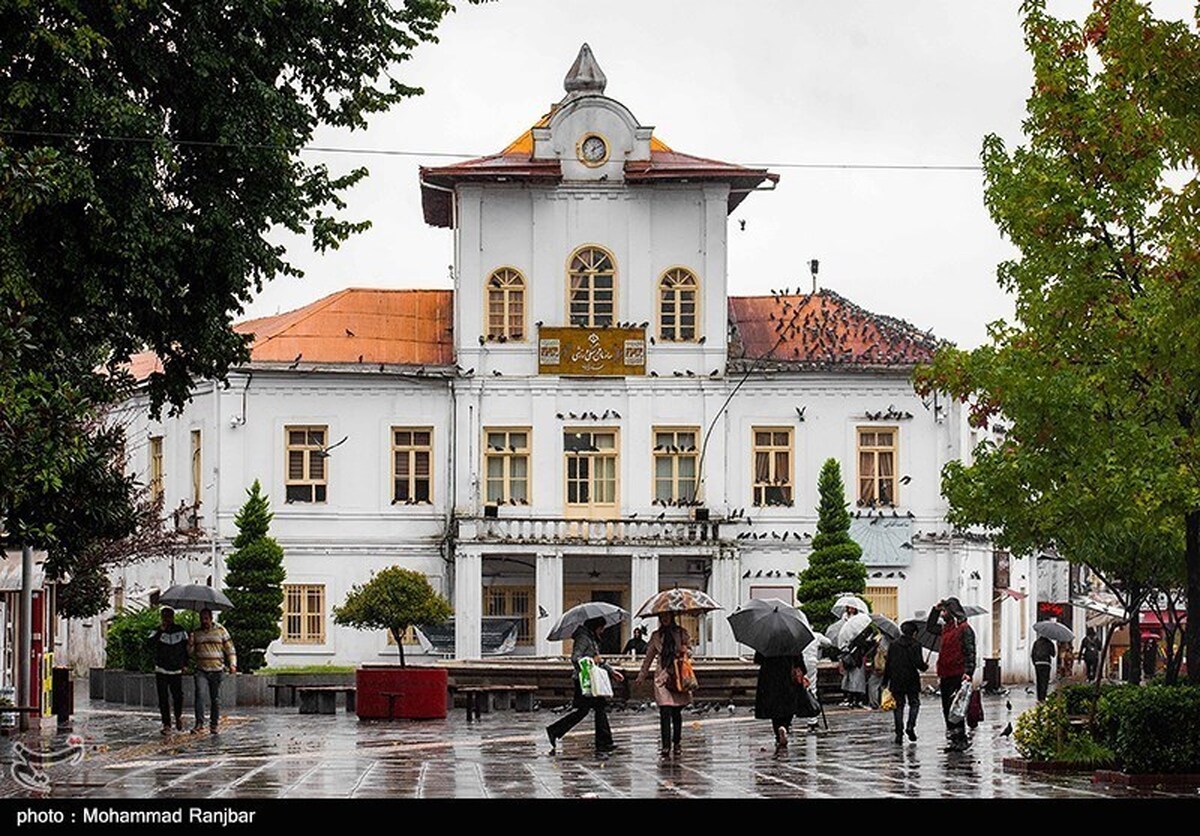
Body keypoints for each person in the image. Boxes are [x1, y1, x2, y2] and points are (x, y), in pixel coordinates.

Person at [547, 617, 624, 754]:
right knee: (588, 710)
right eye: (601, 627)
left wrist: (612, 672)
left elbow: (598, 660)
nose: (603, 630)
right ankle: (603, 742)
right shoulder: (583, 638)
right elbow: (576, 658)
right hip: (584, 681)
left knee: (592, 709)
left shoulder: (592, 638)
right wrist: (591, 662)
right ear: (595, 626)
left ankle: (603, 742)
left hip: (592, 680)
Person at [636, 612, 693, 757]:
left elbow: (690, 651)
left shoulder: (681, 633)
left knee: (676, 712)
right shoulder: (656, 636)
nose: (664, 619)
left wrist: (685, 651)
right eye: (662, 617)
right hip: (662, 676)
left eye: (666, 616)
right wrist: (642, 675)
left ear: (672, 617)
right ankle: (666, 745)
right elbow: (648, 657)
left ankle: (677, 742)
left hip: (677, 674)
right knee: (664, 711)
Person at [925, 597, 975, 750]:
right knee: (947, 707)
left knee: (957, 708)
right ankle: (953, 738)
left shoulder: (965, 629)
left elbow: (970, 651)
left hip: (958, 673)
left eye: (945, 611)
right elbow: (930, 627)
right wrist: (935, 609)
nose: (942, 614)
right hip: (945, 673)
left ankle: (961, 739)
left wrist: (969, 672)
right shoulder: (945, 628)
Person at [188, 608, 237, 735]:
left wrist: (233, 664)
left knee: (215, 698)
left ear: (211, 618)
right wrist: (191, 642)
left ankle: (214, 724)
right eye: (201, 619)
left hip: (217, 669)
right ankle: (199, 723)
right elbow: (189, 653)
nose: (204, 621)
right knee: (200, 695)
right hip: (201, 670)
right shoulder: (196, 632)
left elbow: (229, 648)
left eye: (206, 618)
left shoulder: (221, 630)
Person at [882, 620, 927, 744]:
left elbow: (889, 664)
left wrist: (885, 681)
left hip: (896, 680)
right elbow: (919, 664)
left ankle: (899, 733)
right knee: (914, 703)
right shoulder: (916, 645)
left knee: (898, 706)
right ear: (913, 633)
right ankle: (910, 726)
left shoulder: (894, 644)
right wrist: (925, 666)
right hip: (912, 679)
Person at [148, 607, 188, 735]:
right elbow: (149, 644)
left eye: (169, 617)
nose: (167, 619)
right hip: (161, 669)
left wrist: (185, 663)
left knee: (178, 696)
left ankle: (178, 716)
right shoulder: (156, 630)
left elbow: (186, 648)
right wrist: (160, 631)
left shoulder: (180, 630)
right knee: (163, 697)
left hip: (176, 669)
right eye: (164, 617)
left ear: (173, 617)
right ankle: (166, 724)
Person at [753, 652, 805, 749]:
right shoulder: (791, 642)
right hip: (788, 676)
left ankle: (778, 734)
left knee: (774, 708)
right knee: (789, 705)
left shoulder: (767, 643)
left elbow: (758, 660)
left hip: (769, 677)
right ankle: (784, 726)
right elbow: (799, 662)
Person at [866, 633, 889, 709]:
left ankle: (874, 703)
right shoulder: (890, 640)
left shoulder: (882, 640)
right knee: (883, 685)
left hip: (879, 666)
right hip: (887, 666)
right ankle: (884, 701)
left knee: (873, 684)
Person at [1031, 632, 1055, 702]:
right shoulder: (1049, 643)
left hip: (1038, 664)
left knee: (1039, 680)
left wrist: (1034, 663)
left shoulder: (1036, 643)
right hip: (1046, 663)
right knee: (1045, 681)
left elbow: (1032, 654)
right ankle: (1043, 697)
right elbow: (1053, 654)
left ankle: (1039, 698)